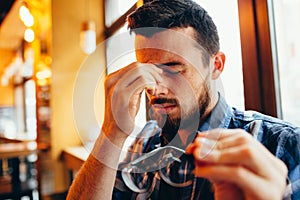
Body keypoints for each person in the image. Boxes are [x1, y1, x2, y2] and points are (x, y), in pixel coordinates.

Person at [67, 0, 300, 199]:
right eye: (146, 71)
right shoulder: (143, 144)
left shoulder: (282, 144)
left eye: (172, 68)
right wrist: (112, 132)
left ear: (216, 66)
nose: (156, 88)